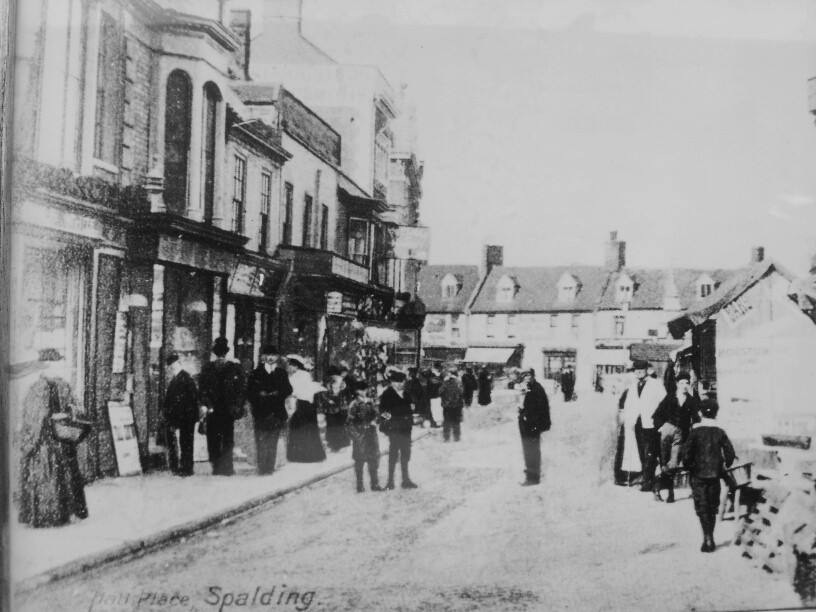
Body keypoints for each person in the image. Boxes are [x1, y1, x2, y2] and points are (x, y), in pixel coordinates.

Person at [17, 350, 89, 527]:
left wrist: (67, 413)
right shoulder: (37, 388)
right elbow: (32, 416)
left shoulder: (62, 385)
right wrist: (49, 419)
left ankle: (62, 513)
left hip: (61, 437)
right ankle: (48, 515)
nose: (59, 367)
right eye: (55, 363)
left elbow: (77, 407)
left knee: (63, 475)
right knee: (50, 476)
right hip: (45, 441)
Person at [682, 399, 736, 553]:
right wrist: (724, 465)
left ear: (700, 413)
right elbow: (730, 454)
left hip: (698, 475)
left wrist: (690, 467)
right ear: (716, 413)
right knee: (712, 506)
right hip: (715, 475)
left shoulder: (695, 432)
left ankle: (706, 537)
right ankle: (710, 536)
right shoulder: (720, 432)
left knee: (702, 506)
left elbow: (686, 455)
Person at [198, 337, 246, 476]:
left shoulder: (209, 368)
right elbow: (240, 390)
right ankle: (225, 467)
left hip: (219, 409)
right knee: (225, 438)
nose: (220, 357)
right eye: (219, 354)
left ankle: (219, 466)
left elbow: (203, 389)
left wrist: (206, 403)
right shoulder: (233, 368)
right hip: (223, 409)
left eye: (221, 354)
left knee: (216, 438)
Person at [651, 371, 701, 502]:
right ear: (677, 384)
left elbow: (696, 418)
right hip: (667, 431)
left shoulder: (691, 401)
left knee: (672, 464)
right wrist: (661, 427)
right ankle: (669, 492)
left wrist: (695, 428)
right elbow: (656, 415)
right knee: (664, 460)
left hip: (681, 435)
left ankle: (657, 482)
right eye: (682, 383)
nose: (685, 385)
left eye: (687, 383)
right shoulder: (670, 398)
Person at [245, 345, 292, 475]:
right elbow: (249, 392)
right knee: (261, 440)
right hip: (261, 412)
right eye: (267, 355)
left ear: (277, 357)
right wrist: (259, 394)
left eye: (273, 355)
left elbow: (288, 389)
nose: (270, 358)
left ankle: (269, 468)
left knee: (273, 441)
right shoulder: (255, 373)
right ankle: (262, 468)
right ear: (263, 357)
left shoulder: (281, 373)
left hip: (276, 412)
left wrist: (278, 393)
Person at [621, 360, 666, 492]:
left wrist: (659, 421)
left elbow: (664, 403)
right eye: (636, 370)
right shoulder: (633, 385)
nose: (639, 372)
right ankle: (646, 477)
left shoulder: (656, 384)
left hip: (651, 424)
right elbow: (629, 404)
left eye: (641, 369)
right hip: (637, 423)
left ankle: (648, 482)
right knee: (641, 451)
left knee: (650, 453)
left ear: (647, 370)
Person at [379, 370, 418, 489]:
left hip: (406, 428)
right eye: (397, 382)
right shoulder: (387, 394)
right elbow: (383, 412)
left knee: (406, 454)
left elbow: (411, 407)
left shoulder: (406, 393)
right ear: (392, 382)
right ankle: (390, 482)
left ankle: (405, 480)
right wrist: (391, 421)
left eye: (402, 382)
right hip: (394, 429)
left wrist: (410, 411)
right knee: (393, 454)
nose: (400, 384)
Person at [163, 352, 199, 477]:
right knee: (184, 443)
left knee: (186, 443)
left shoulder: (185, 379)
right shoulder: (177, 379)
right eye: (171, 367)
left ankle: (187, 468)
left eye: (174, 365)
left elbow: (191, 400)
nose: (172, 368)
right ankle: (184, 467)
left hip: (186, 418)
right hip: (182, 417)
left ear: (178, 364)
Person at [285, 355, 326, 463]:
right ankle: (311, 455)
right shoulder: (305, 375)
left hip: (302, 404)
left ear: (295, 366)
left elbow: (295, 390)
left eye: (289, 365)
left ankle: (299, 456)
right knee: (308, 428)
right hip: (307, 404)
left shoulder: (297, 376)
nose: (288, 367)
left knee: (299, 427)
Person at [346, 381, 383, 492]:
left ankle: (375, 484)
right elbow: (349, 424)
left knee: (374, 459)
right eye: (360, 390)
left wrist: (380, 419)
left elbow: (377, 415)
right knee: (359, 460)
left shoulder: (370, 402)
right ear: (356, 392)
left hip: (371, 434)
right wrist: (356, 437)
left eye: (364, 390)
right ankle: (360, 485)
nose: (363, 392)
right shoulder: (354, 405)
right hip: (360, 435)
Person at [518, 369, 551, 486]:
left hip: (532, 426)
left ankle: (532, 478)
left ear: (533, 376)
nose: (526, 378)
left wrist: (529, 419)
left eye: (528, 375)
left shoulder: (536, 389)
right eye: (524, 376)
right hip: (528, 425)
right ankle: (531, 476)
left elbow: (541, 409)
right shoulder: (529, 388)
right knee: (528, 451)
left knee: (531, 451)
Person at [315, 369, 351, 452]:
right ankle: (334, 445)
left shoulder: (342, 386)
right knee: (332, 427)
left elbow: (344, 397)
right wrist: (329, 400)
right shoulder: (326, 388)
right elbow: (324, 397)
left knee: (339, 427)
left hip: (340, 410)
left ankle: (340, 445)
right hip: (331, 410)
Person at [440, 367, 465, 442]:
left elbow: (440, 391)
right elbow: (462, 393)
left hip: (447, 406)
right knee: (456, 422)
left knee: (447, 422)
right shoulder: (459, 383)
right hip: (457, 406)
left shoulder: (445, 383)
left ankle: (446, 438)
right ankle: (456, 437)